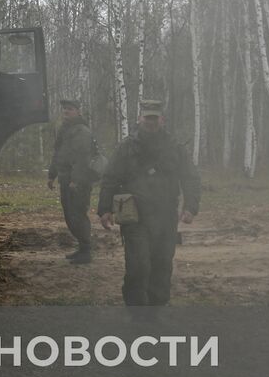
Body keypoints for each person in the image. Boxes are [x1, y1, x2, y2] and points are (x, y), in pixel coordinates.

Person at [96, 99, 201, 306]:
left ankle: (157, 309)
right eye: (147, 117)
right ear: (139, 119)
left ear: (162, 119)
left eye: (155, 118)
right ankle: (136, 312)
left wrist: (190, 206)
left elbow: (190, 177)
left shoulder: (175, 148)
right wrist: (105, 209)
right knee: (138, 265)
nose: (150, 122)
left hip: (165, 215)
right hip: (135, 215)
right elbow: (110, 178)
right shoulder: (126, 148)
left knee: (162, 263)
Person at [46, 97, 97, 264]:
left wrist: (76, 179)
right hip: (65, 179)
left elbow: (82, 158)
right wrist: (51, 175)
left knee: (77, 215)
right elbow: (58, 155)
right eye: (65, 109)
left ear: (78, 111)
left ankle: (86, 251)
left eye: (70, 109)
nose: (66, 112)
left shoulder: (81, 131)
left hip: (77, 181)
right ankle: (82, 248)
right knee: (70, 215)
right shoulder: (64, 130)